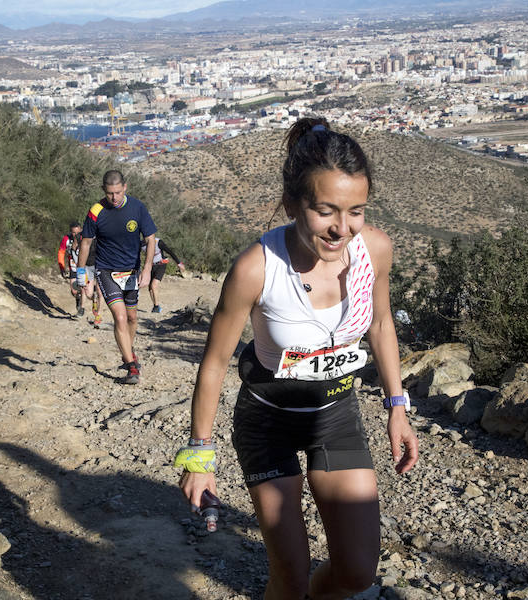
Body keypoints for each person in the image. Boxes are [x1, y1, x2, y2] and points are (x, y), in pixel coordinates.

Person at [177, 118, 419, 599]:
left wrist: (397, 406)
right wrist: (199, 455)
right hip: (268, 421)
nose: (341, 228)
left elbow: (381, 323)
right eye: (325, 210)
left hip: (336, 414)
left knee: (356, 573)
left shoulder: (375, 249)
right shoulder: (256, 268)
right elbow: (214, 365)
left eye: (356, 212)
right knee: (288, 579)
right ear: (293, 205)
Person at [77, 170, 157, 385]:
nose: (114, 197)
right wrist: (81, 274)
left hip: (131, 271)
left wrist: (148, 268)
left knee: (132, 318)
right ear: (104, 190)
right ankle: (132, 366)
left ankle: (127, 354)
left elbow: (151, 239)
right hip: (106, 271)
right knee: (120, 317)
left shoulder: (138, 207)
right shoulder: (96, 211)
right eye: (110, 193)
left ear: (125, 187)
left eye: (118, 192)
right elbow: (85, 243)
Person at [59, 222, 102, 326]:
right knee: (88, 292)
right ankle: (89, 301)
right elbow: (72, 249)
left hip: (100, 266)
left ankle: (98, 316)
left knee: (101, 292)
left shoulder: (101, 235)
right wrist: (78, 261)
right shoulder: (79, 236)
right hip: (86, 266)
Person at [143, 237, 186, 313]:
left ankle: (156, 307)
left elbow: (170, 252)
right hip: (150, 266)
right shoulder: (141, 244)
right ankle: (156, 305)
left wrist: (179, 263)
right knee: (150, 289)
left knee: (154, 285)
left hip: (161, 264)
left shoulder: (158, 242)